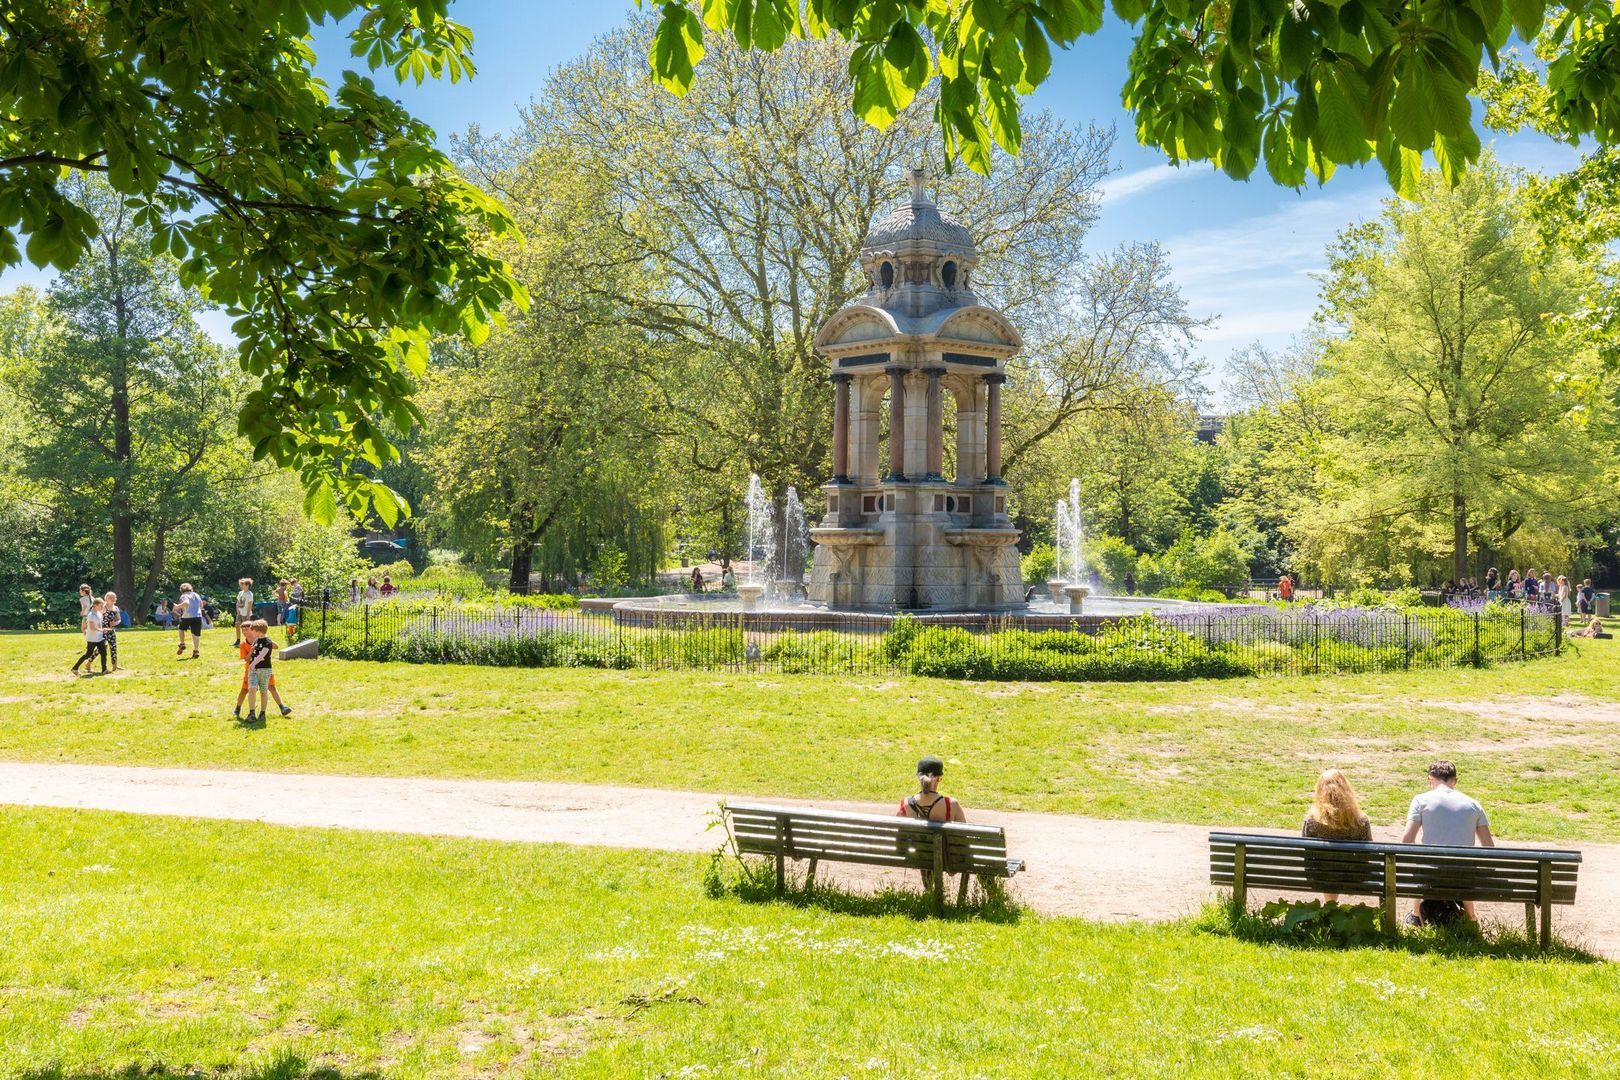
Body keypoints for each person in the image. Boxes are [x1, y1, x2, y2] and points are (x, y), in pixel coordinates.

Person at [1401, 760, 1495, 925]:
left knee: (1423, 864)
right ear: (1455, 781)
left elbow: (1407, 840)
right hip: (1464, 876)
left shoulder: (1420, 800)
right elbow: (1489, 847)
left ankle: (1416, 915)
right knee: (1464, 866)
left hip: (1431, 875)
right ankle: (1471, 917)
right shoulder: (1474, 804)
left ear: (1430, 779)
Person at [1301, 768, 1373, 902]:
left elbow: (1307, 853)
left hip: (1319, 877)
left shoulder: (1311, 821)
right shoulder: (1361, 821)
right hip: (1355, 877)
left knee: (1327, 868)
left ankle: (1330, 905)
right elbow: (1368, 854)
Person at [235, 621, 292, 723]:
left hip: (264, 669)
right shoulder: (244, 644)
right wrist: (252, 651)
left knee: (270, 688)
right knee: (246, 690)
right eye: (242, 630)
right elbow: (246, 659)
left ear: (254, 630)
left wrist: (265, 638)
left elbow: (274, 646)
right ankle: (239, 709)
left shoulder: (261, 639)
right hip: (251, 669)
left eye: (247, 629)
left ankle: (281, 707)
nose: (244, 631)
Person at [897, 757, 966, 823]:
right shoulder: (951, 804)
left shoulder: (905, 803)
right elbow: (964, 832)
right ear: (939, 778)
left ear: (918, 777)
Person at [241, 619, 277, 724]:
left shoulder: (268, 642)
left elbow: (262, 655)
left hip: (264, 669)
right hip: (253, 670)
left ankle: (262, 713)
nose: (252, 632)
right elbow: (254, 652)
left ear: (259, 631)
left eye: (254, 630)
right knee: (251, 689)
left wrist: (253, 663)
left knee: (263, 691)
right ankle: (252, 713)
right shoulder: (256, 641)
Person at [72, 598, 108, 676]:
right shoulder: (91, 615)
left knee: (104, 653)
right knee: (88, 654)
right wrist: (102, 630)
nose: (102, 607)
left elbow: (98, 624)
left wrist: (102, 630)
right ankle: (75, 668)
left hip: (99, 638)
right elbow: (92, 628)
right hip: (92, 639)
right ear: (95, 606)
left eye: (102, 606)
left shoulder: (99, 613)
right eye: (100, 606)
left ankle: (104, 669)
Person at [174, 582, 205, 658]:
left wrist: (178, 606)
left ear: (182, 590)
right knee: (196, 634)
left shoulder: (184, 595)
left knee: (181, 628)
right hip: (197, 616)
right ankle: (196, 651)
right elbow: (201, 605)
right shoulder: (196, 595)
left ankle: (182, 643)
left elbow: (186, 603)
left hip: (187, 616)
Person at [101, 592, 122, 672]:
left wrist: (115, 623)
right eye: (111, 597)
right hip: (103, 631)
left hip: (111, 631)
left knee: (113, 647)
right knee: (100, 649)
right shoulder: (103, 607)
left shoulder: (116, 608)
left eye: (114, 597)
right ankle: (89, 663)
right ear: (106, 599)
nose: (113, 599)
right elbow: (98, 617)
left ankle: (115, 665)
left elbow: (119, 619)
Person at [234, 577, 254, 647]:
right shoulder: (240, 593)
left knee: (247, 628)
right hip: (240, 612)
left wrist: (248, 615)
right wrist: (237, 610)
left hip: (246, 614)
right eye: (241, 585)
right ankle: (238, 641)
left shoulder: (250, 594)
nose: (241, 586)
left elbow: (250, 605)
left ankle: (249, 641)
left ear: (247, 585)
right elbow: (238, 602)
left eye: (243, 585)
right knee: (237, 625)